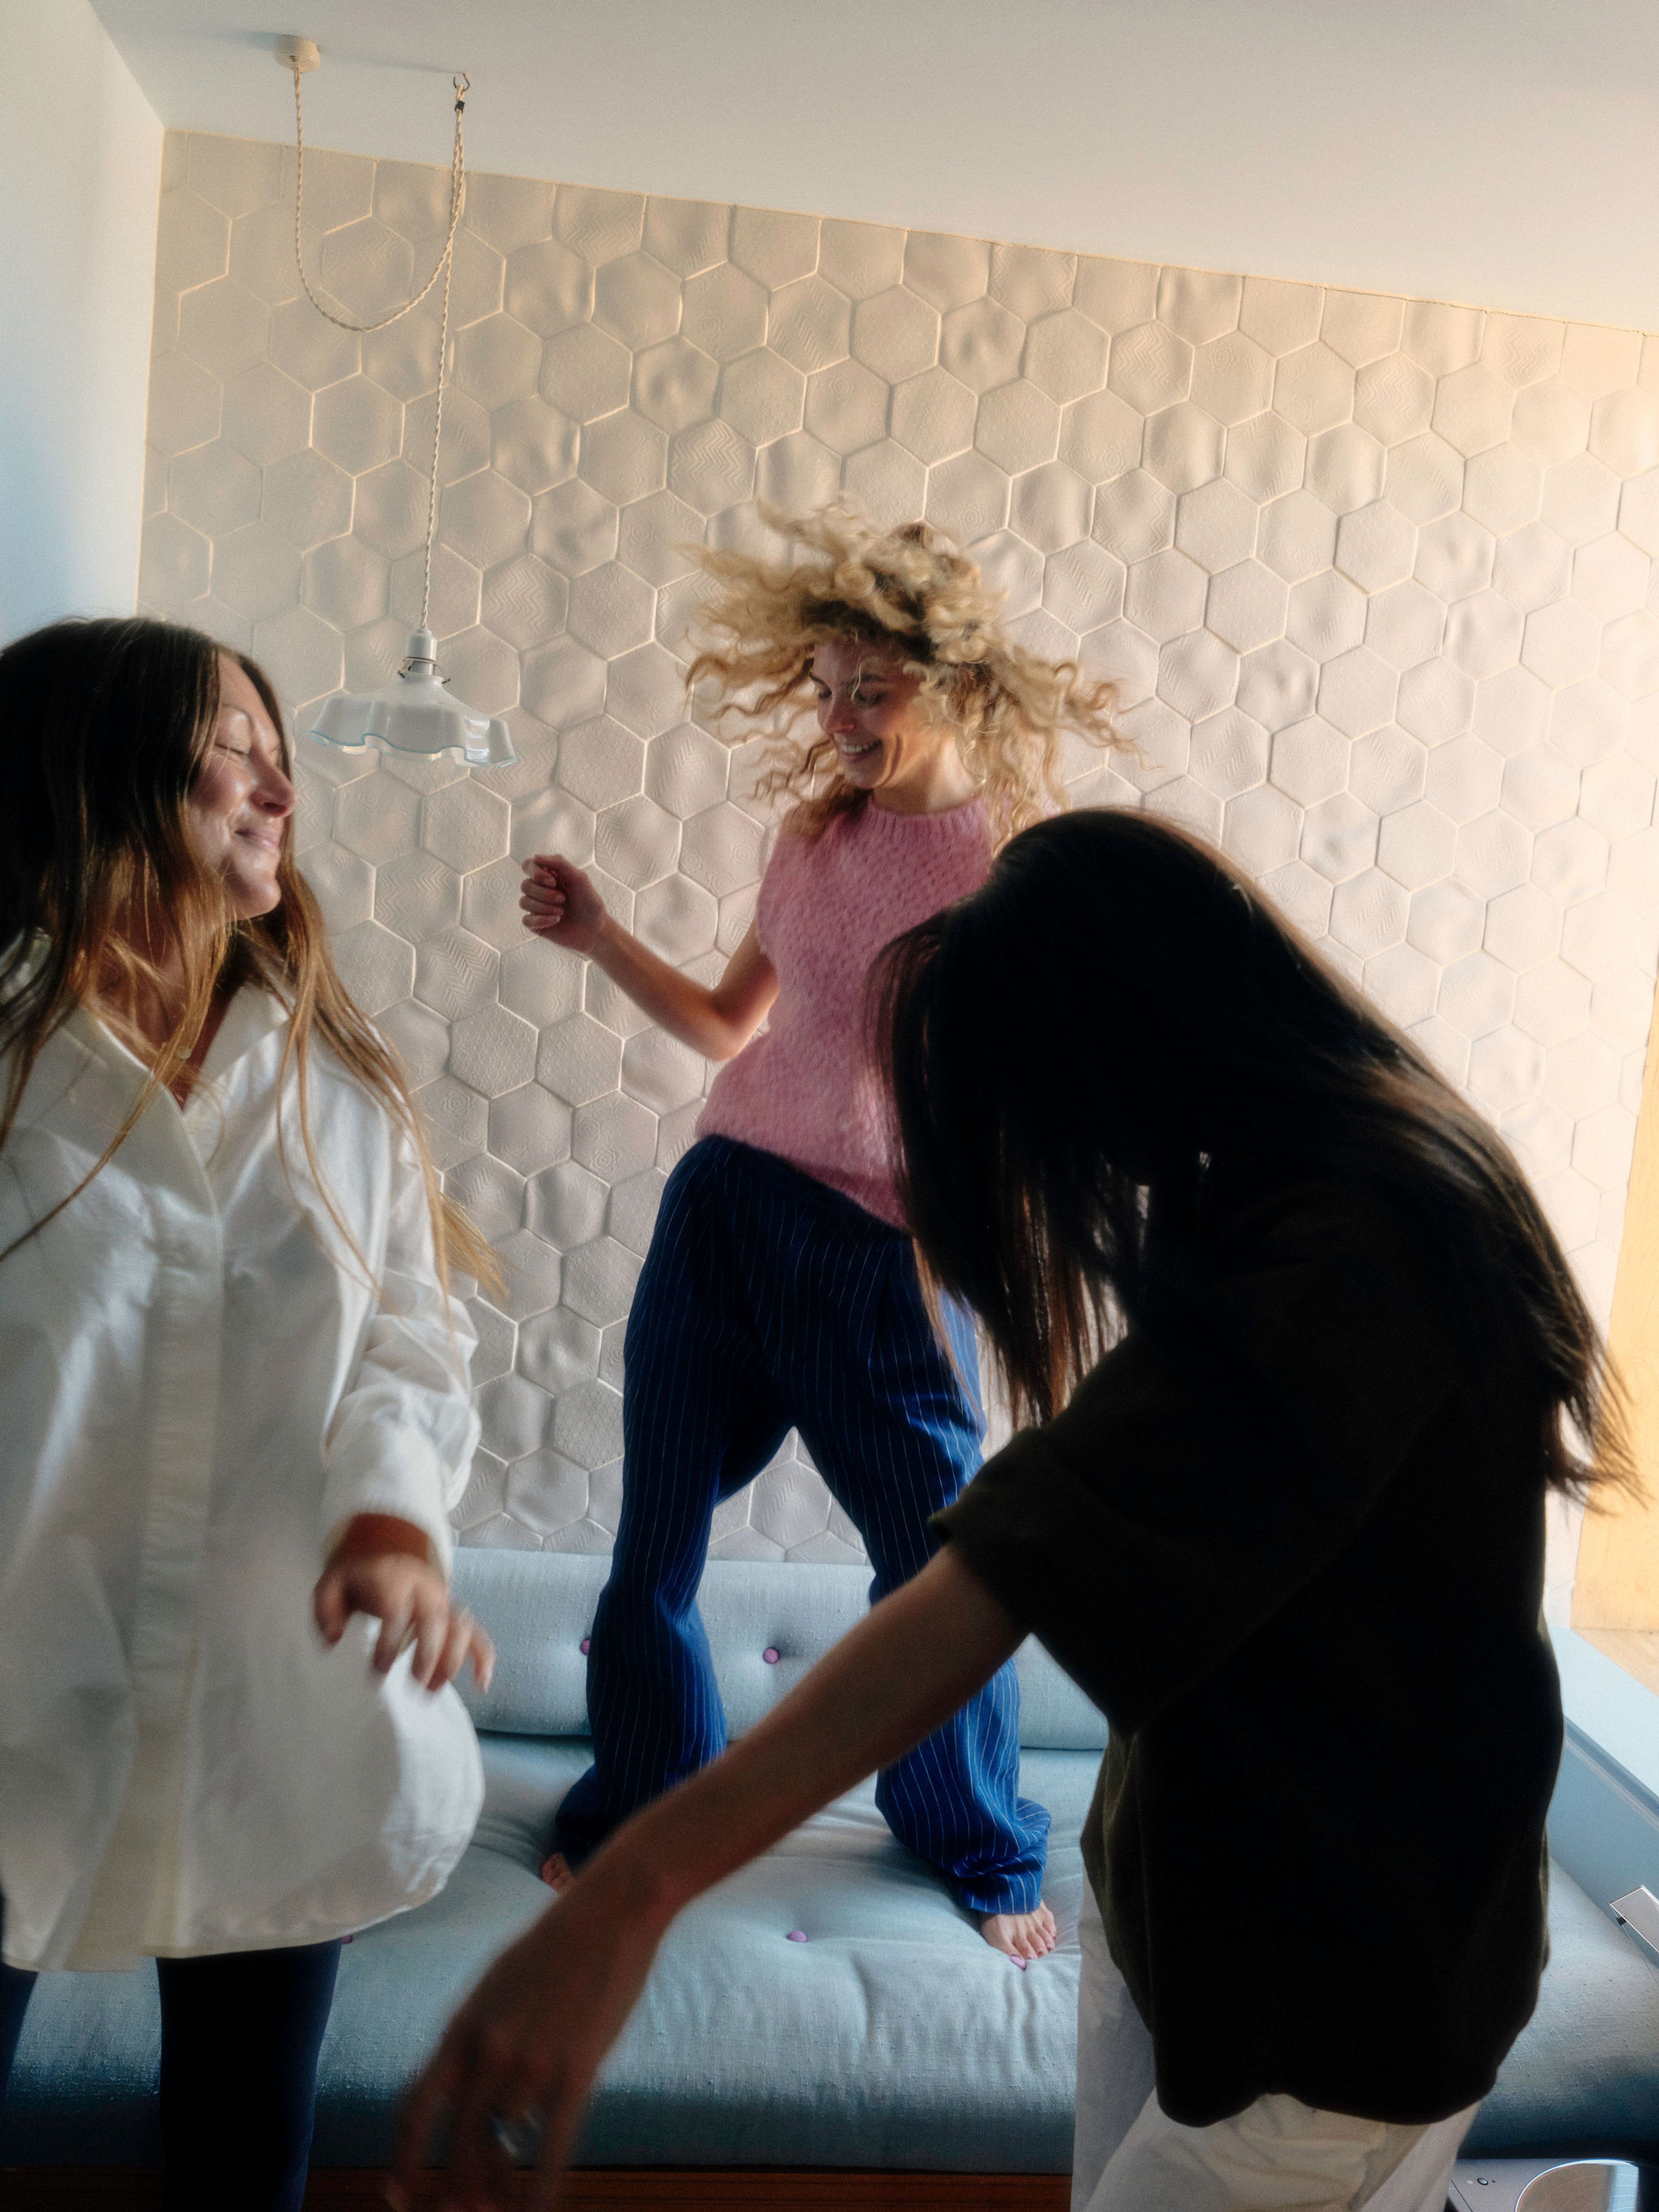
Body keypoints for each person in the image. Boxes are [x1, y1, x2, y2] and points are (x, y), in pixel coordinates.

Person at [395, 806, 1625, 2212]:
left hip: (1336, 2001)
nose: (1053, 1166)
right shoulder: (1256, 1175)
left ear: (1133, 1036)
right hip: (1191, 1916)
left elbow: (990, 1582)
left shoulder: (1358, 1241)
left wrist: (638, 1886)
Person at [517, 505, 1119, 1960]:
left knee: (940, 1563)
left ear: (954, 681)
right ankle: (641, 1802)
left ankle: (973, 1835)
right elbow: (731, 1026)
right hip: (725, 1208)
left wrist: (979, 1263)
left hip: (880, 1254)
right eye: (827, 687)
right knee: (656, 1538)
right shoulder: (812, 838)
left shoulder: (1005, 871)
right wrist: (600, 936)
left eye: (873, 689)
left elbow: (1030, 1103)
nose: (842, 719)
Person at [0, 617, 496, 2212]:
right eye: (236, 748)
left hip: (274, 1705)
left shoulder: (341, 1089)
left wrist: (394, 1516)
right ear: (98, 776)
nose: (283, 786)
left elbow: (412, 1338)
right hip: (20, 1695)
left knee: (242, 2165)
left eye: (282, 754)